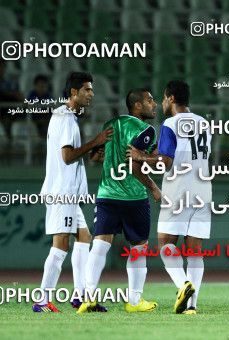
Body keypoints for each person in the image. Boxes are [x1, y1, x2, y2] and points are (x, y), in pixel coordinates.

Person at [127, 80, 212, 315]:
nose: (162, 103)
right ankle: (192, 306)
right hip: (203, 189)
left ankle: (183, 285)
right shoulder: (205, 123)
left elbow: (166, 162)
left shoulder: (170, 124)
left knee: (165, 244)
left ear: (171, 98)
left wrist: (141, 157)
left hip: (178, 189)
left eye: (163, 98)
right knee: (195, 250)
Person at [33, 72, 112, 313]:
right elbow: (66, 156)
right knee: (60, 245)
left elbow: (70, 155)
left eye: (92, 89)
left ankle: (80, 297)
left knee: (84, 238)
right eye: (87, 90)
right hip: (62, 192)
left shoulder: (65, 116)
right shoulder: (66, 118)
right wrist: (95, 140)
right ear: (74, 93)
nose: (91, 94)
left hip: (68, 192)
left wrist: (91, 153)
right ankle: (42, 300)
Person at [77, 88, 160, 314]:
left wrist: (104, 156)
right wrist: (153, 187)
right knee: (139, 249)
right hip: (133, 197)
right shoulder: (146, 130)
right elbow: (137, 165)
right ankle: (134, 302)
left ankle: (89, 297)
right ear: (137, 106)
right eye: (150, 101)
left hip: (107, 195)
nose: (156, 104)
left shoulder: (110, 124)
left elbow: (94, 156)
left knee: (100, 246)